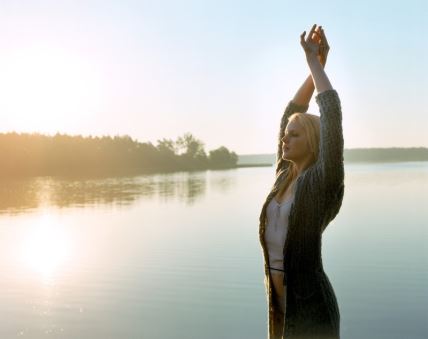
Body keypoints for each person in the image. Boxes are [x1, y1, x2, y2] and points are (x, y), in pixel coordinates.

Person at [259, 24, 344, 339]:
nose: (285, 139)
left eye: (294, 135)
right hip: (279, 306)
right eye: (284, 136)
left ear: (311, 141)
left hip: (312, 310)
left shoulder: (322, 182)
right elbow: (291, 112)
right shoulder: (283, 176)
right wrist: (315, 70)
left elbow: (331, 115)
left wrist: (314, 63)